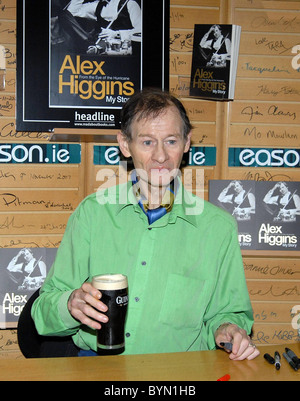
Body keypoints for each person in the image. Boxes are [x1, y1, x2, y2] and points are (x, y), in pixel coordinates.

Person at [32, 88, 259, 361]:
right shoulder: (92, 214)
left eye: (171, 141)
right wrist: (69, 304)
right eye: (148, 142)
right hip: (96, 368)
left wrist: (228, 329)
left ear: (187, 143)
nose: (161, 156)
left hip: (177, 373)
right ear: (125, 145)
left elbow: (228, 314)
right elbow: (42, 310)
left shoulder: (218, 228)